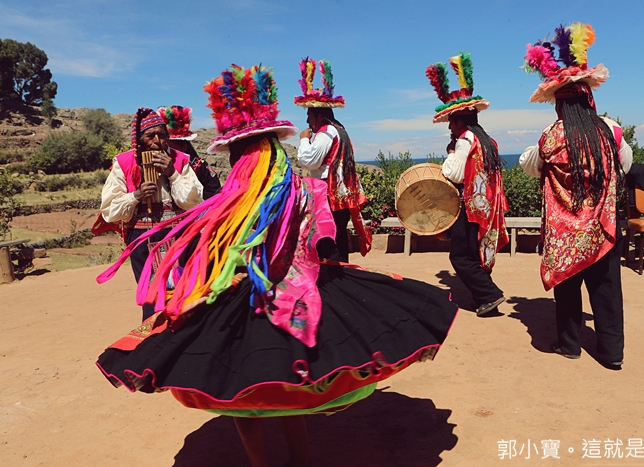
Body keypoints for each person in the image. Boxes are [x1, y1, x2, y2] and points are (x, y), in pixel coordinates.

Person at [95, 63, 458, 467]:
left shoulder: (233, 201)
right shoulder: (304, 188)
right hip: (297, 292)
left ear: (240, 154)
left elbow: (218, 245)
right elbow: (324, 236)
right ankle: (299, 459)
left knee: (243, 393)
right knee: (288, 387)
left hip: (243, 299)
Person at [519, 22, 632, 367]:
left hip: (565, 232)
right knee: (607, 291)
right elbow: (625, 164)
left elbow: (530, 165)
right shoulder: (610, 130)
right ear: (589, 97)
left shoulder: (550, 136)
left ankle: (569, 344)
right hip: (602, 228)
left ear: (559, 104)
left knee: (567, 288)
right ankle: (611, 353)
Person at [98, 108, 203, 321]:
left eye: (162, 135)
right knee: (152, 298)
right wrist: (136, 196)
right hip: (142, 240)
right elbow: (109, 209)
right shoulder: (124, 163)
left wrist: (172, 173)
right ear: (140, 140)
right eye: (150, 136)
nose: (157, 141)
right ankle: (154, 335)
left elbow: (193, 201)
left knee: (184, 292)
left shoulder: (181, 160)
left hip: (179, 236)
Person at [425, 52, 509, 317]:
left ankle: (489, 294)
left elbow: (454, 173)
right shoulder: (487, 140)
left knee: (460, 257)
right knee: (475, 253)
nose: (450, 127)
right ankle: (484, 298)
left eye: (452, 121)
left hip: (469, 207)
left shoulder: (464, 140)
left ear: (460, 120)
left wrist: (450, 153)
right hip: (487, 206)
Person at [294, 57, 371, 262]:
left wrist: (304, 140)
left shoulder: (326, 132)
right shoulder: (340, 129)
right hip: (339, 194)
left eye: (309, 115)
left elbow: (310, 161)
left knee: (328, 240)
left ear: (319, 116)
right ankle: (341, 272)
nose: (307, 120)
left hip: (328, 194)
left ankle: (335, 275)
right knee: (338, 237)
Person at [157, 105, 222, 199]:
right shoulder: (159, 165)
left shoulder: (200, 167)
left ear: (184, 147)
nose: (168, 151)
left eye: (171, 148)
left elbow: (213, 192)